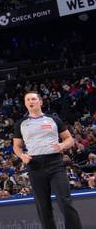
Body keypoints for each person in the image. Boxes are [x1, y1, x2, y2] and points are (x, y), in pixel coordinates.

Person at [13, 90, 82, 229]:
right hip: (34, 165)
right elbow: (17, 146)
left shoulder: (53, 119)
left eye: (33, 99)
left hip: (55, 163)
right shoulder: (21, 123)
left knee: (65, 202)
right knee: (43, 207)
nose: (30, 102)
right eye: (27, 100)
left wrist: (62, 145)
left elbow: (69, 139)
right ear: (25, 104)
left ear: (40, 101)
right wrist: (22, 155)